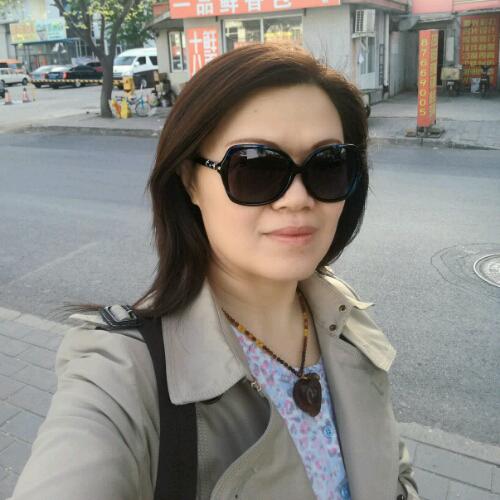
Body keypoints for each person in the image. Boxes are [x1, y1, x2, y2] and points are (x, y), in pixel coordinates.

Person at [9, 43, 419, 500]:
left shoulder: (341, 314)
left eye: (328, 165)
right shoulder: (124, 374)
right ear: (190, 181)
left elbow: (395, 471)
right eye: (257, 167)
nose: (298, 199)